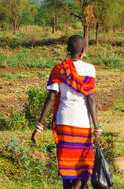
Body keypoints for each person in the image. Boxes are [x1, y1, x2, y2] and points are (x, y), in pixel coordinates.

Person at [31, 35, 102, 189]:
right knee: (85, 164)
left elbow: (50, 98)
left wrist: (39, 126)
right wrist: (97, 128)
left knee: (67, 164)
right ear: (84, 50)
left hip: (63, 120)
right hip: (81, 122)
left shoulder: (58, 69)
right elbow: (90, 100)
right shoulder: (89, 69)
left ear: (68, 50)